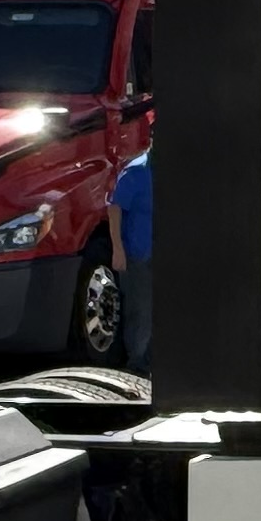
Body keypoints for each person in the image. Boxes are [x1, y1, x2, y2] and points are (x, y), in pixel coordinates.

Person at [111, 147, 151, 375]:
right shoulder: (135, 171)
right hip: (138, 253)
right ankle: (136, 361)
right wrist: (117, 248)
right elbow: (115, 209)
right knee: (140, 308)